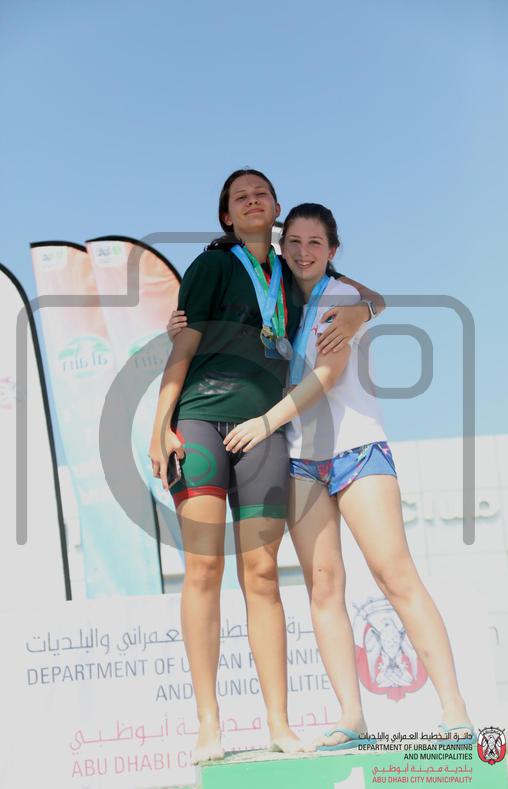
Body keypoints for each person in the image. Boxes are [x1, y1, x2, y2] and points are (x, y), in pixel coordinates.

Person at [221, 202, 474, 750]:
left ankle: (455, 709)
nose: (303, 252)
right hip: (300, 459)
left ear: (332, 251)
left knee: (394, 574)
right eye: (294, 242)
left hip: (357, 451)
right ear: (281, 248)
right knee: (324, 586)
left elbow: (327, 377)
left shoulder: (339, 298)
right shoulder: (277, 304)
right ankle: (351, 717)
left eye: (315, 243)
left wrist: (264, 423)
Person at [149, 169, 383, 764]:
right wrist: (158, 425)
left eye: (261, 193)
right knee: (203, 569)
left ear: (276, 207)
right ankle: (209, 725)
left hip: (264, 430)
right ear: (227, 216)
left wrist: (362, 311)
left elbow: (369, 296)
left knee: (261, 575)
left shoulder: (295, 272)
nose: (252, 200)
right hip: (200, 421)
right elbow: (183, 345)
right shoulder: (211, 266)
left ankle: (278, 722)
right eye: (239, 196)